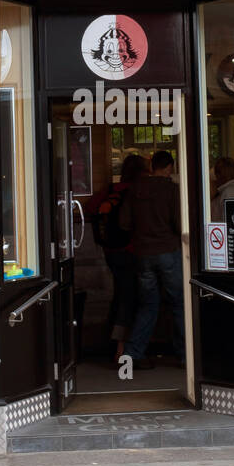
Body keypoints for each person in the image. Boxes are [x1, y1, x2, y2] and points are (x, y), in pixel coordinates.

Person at [121, 150, 185, 371]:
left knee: (148, 305)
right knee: (179, 304)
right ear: (169, 167)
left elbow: (124, 223)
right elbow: (179, 224)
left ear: (152, 166)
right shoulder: (171, 189)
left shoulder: (135, 189)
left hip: (143, 253)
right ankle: (186, 356)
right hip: (168, 250)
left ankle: (132, 354)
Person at [88, 154, 147, 363]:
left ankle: (110, 341)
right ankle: (121, 349)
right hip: (131, 251)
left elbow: (90, 207)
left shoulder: (111, 190)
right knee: (128, 298)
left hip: (110, 251)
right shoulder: (137, 192)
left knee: (120, 295)